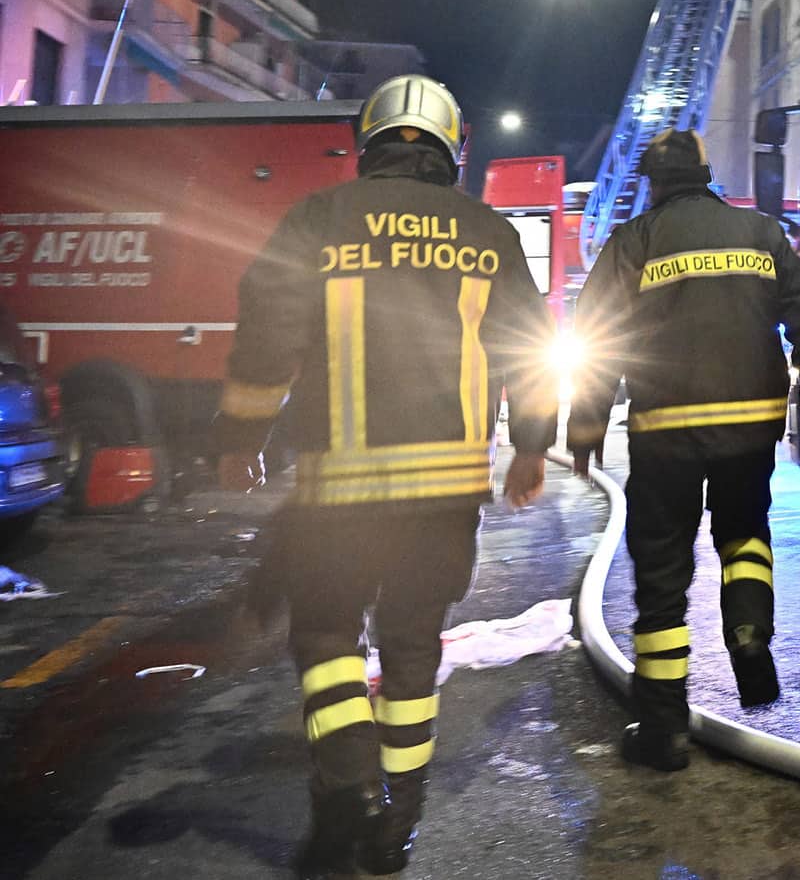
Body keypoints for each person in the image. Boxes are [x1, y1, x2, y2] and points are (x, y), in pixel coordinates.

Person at [214, 75, 559, 876]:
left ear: (369, 143)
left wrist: (240, 435)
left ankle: (349, 787)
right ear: (449, 147)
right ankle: (397, 824)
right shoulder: (486, 231)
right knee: (411, 650)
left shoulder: (317, 220)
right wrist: (533, 447)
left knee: (326, 636)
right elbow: (529, 350)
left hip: (339, 489)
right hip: (445, 491)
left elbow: (266, 335)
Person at [567, 128, 800, 772]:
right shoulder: (762, 234)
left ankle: (663, 732)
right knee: (745, 532)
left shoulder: (633, 241)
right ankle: (748, 632)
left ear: (653, 182)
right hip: (751, 425)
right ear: (707, 173)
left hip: (667, 430)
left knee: (662, 572)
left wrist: (584, 432)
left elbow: (595, 339)